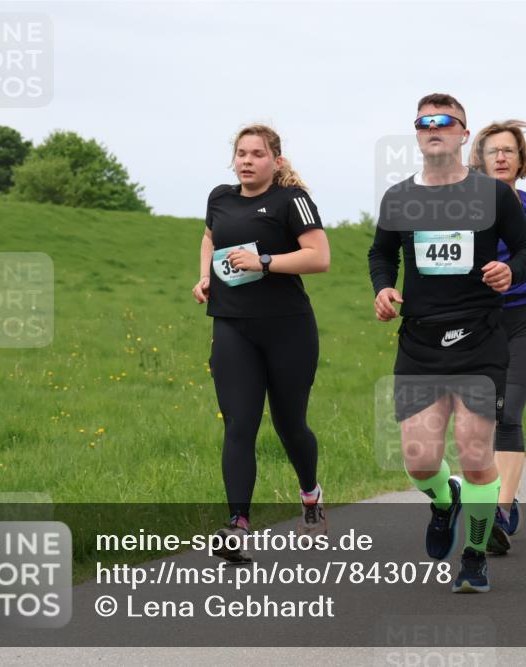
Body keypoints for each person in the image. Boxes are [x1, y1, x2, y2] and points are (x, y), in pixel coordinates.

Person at [368, 94, 526, 592]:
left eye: (445, 121)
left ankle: (474, 555)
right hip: (420, 341)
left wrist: (512, 269)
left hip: (480, 338)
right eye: (424, 122)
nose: (433, 127)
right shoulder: (399, 197)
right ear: (417, 134)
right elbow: (381, 254)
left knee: (474, 452)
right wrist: (383, 288)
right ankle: (444, 501)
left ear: (465, 135)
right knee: (420, 460)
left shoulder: (492, 195)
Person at [193, 124, 331, 562]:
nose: (247, 161)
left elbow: (319, 257)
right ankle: (237, 525)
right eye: (241, 153)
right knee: (239, 425)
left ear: (276, 160)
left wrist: (264, 261)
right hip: (233, 328)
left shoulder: (293, 202)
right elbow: (210, 237)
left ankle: (310, 495)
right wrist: (204, 277)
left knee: (290, 425)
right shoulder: (220, 197)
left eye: (257, 154)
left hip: (288, 329)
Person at [467, 120, 526, 554]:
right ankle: (495, 496)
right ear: (480, 160)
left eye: (510, 150)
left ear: (522, 160)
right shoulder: (461, 205)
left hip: (524, 318)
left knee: (507, 412)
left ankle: (498, 514)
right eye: (493, 151)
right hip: (475, 323)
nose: (502, 157)